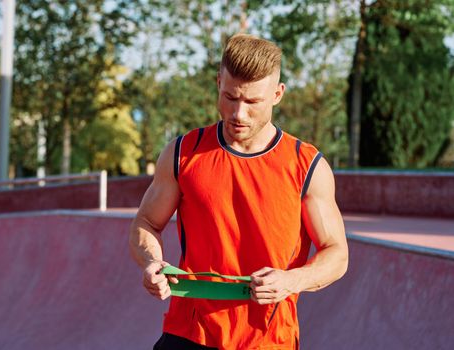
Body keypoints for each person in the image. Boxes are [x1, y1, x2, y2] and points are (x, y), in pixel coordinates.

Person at [129, 34, 349, 350]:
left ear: (277, 94)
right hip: (190, 334)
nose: (238, 114)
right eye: (230, 97)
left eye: (252, 102)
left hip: (270, 339)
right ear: (218, 82)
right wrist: (151, 261)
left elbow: (336, 253)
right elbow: (146, 223)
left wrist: (291, 281)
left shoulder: (306, 165)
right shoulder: (183, 153)